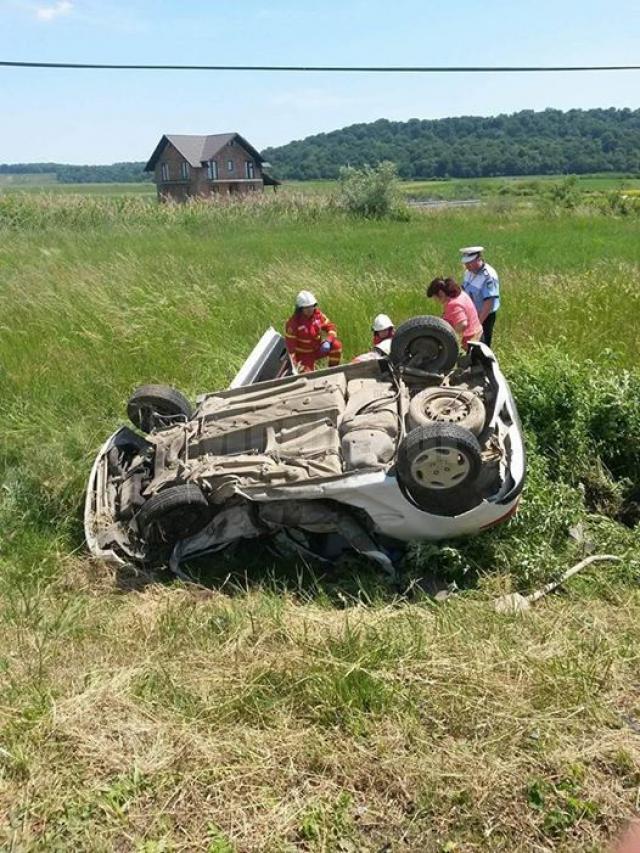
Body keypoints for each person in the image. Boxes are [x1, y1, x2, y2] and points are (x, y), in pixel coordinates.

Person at [284, 290, 342, 372]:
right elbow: (291, 348)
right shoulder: (293, 323)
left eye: (312, 306)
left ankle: (332, 371)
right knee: (309, 376)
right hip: (303, 356)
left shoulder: (318, 315)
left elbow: (331, 327)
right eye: (306, 308)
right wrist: (295, 365)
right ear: (300, 309)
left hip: (318, 349)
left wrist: (328, 341)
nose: (310, 309)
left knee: (336, 345)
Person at [459, 246, 500, 347]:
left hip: (484, 316)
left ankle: (484, 363)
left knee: (482, 345)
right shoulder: (468, 272)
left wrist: (478, 323)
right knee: (470, 343)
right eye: (465, 263)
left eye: (469, 263)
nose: (467, 266)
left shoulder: (488, 276)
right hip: (471, 313)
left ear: (479, 259)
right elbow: (464, 291)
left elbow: (489, 303)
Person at [426, 277, 483, 350]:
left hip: (472, 340)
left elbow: (463, 324)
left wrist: (449, 333)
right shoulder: (460, 294)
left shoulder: (453, 304)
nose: (436, 301)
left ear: (441, 293)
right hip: (478, 332)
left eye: (435, 298)